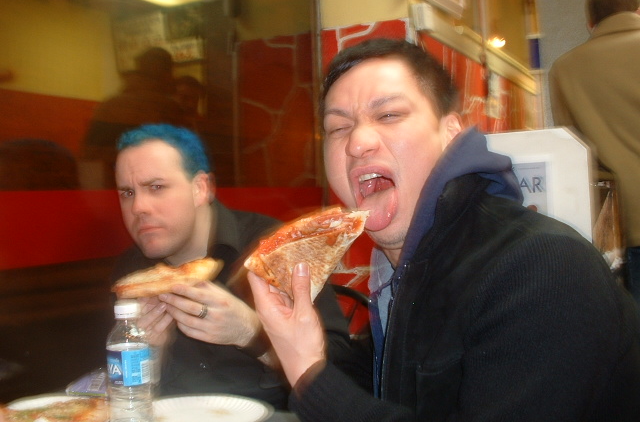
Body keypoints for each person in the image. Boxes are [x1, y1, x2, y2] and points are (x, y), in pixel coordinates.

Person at [247, 38, 640, 421]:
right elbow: (377, 384)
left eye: (389, 115)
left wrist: (309, 374)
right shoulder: (405, 271)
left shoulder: (542, 266)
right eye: (338, 128)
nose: (357, 142)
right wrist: (268, 338)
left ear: (450, 133)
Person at [110, 123, 350, 409]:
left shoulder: (274, 249)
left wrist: (250, 332)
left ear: (200, 188)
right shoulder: (131, 275)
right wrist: (150, 356)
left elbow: (343, 368)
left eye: (156, 187)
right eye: (127, 193)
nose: (138, 207)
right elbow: (121, 390)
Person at [549, 0, 640, 305]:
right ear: (637, 10)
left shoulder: (564, 69)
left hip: (622, 222)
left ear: (590, 22)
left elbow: (572, 150)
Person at [81, 47, 193, 189]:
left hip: (114, 188)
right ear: (167, 74)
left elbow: (90, 156)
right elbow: (186, 158)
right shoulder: (169, 109)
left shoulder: (109, 106)